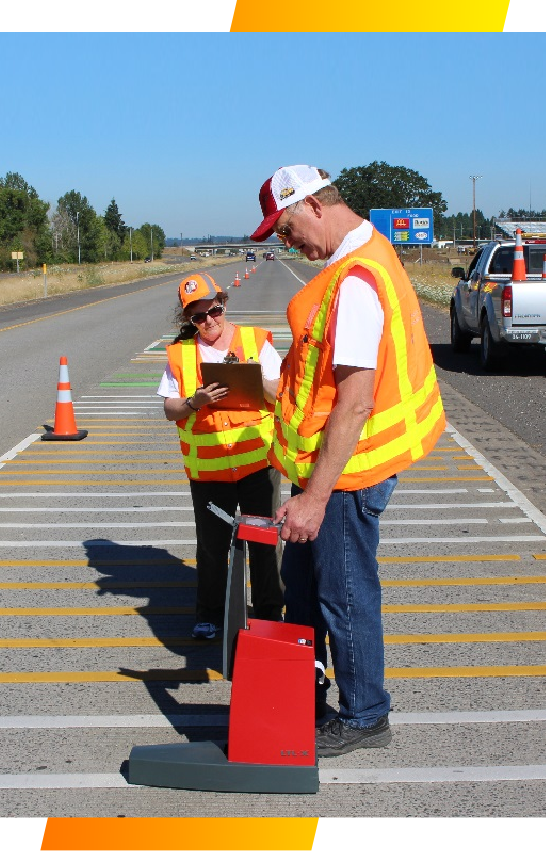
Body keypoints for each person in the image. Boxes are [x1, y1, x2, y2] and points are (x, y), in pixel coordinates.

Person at [250, 165, 445, 757]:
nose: (289, 245)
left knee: (345, 594)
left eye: (286, 230)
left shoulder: (355, 283)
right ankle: (304, 696)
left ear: (312, 204)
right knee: (305, 589)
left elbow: (355, 401)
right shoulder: (359, 261)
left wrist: (313, 497)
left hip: (346, 476)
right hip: (331, 472)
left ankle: (365, 715)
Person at [157, 272, 284, 640]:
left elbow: (280, 396)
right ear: (188, 320)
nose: (209, 321)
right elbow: (170, 408)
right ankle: (210, 613)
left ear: (224, 303)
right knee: (212, 546)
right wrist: (194, 402)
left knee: (264, 543)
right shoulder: (180, 355)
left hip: (258, 464)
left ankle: (269, 612)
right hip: (209, 472)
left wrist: (251, 377)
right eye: (198, 317)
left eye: (213, 310)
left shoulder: (254, 342)